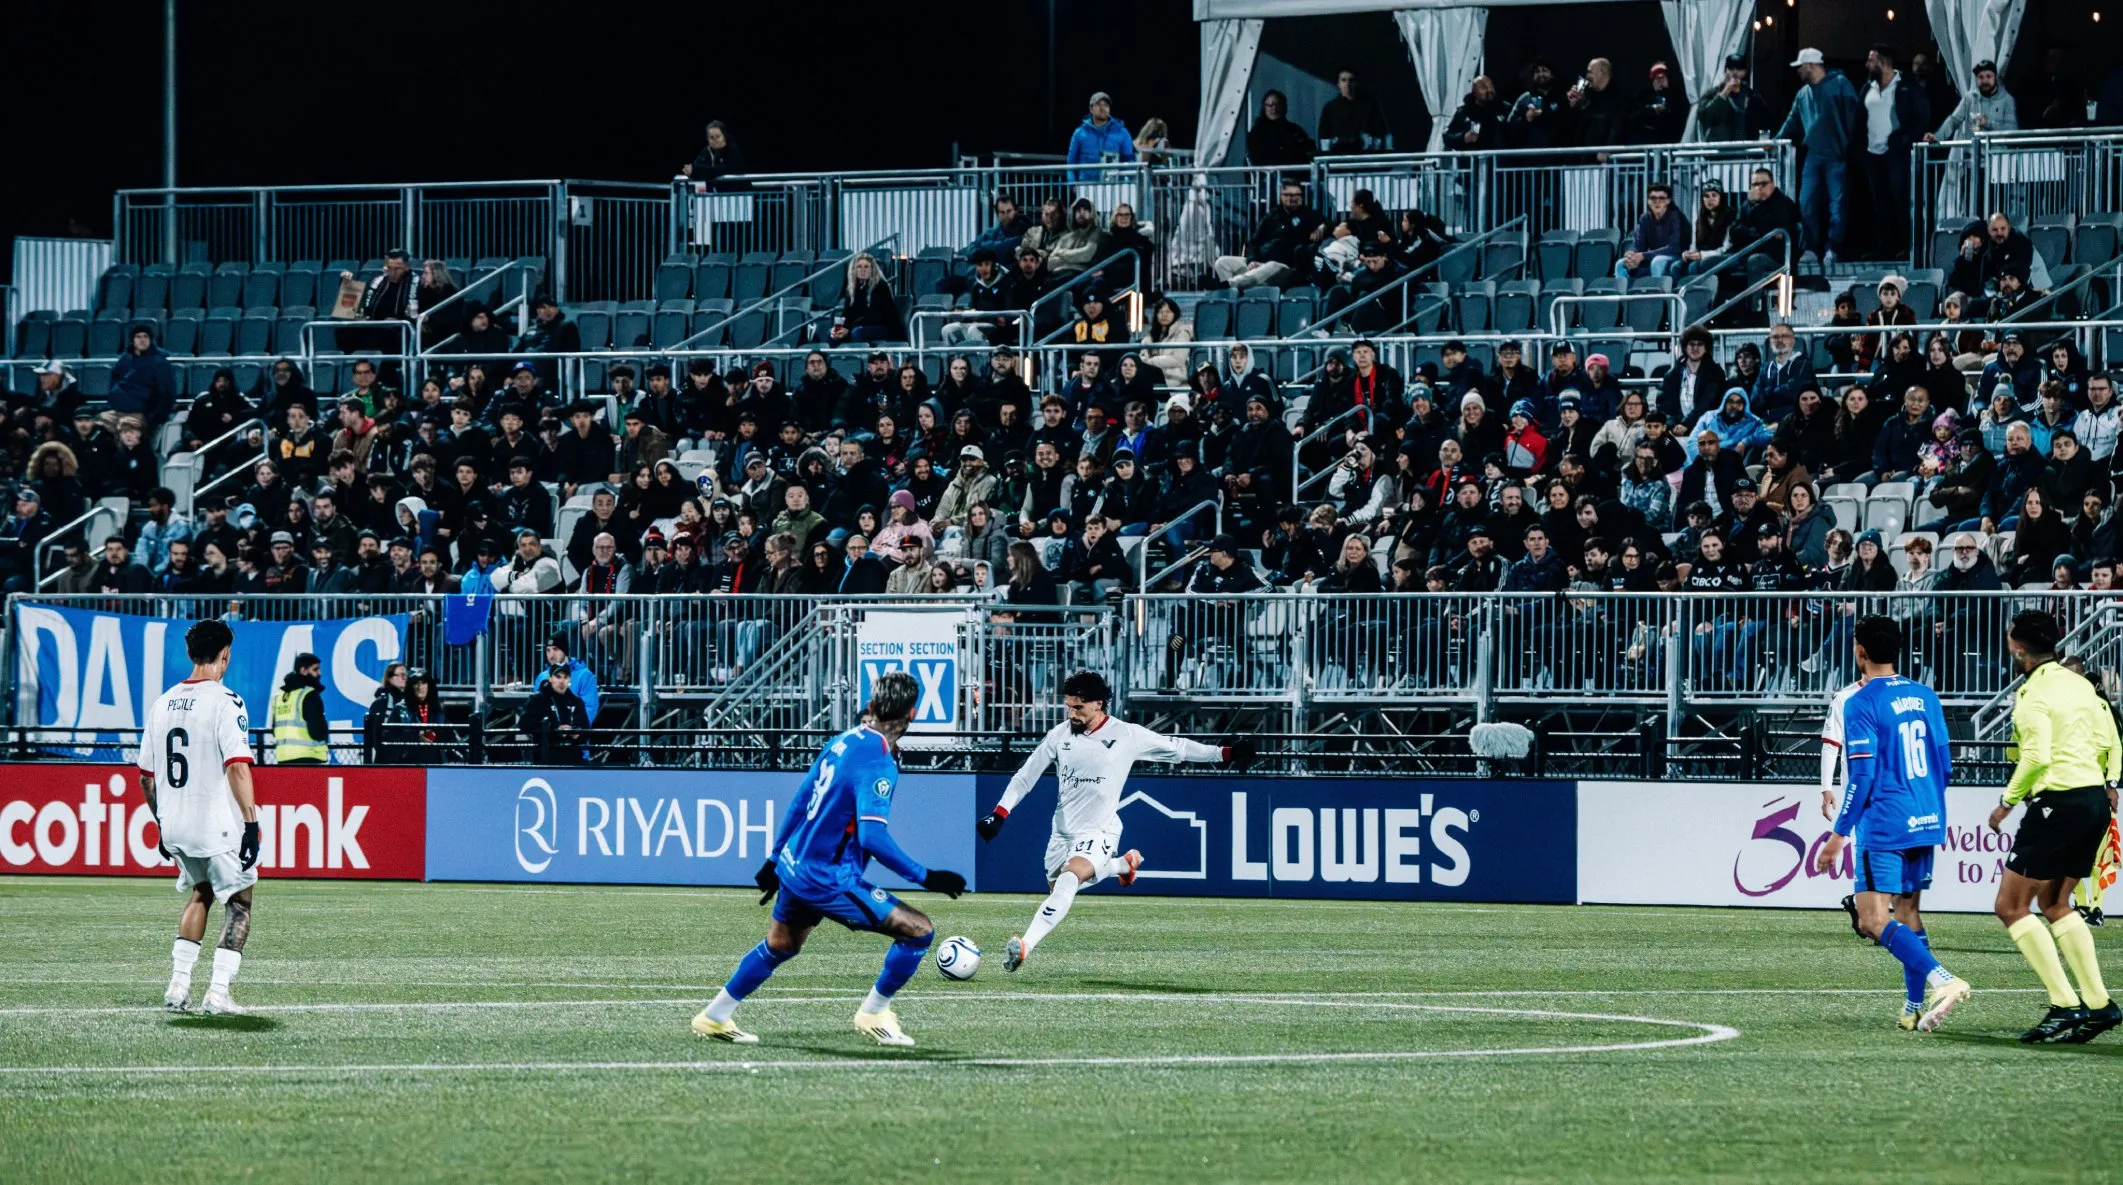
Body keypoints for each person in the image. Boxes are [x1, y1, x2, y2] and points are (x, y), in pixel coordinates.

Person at [693, 671, 966, 1047]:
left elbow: (802, 799)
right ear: (913, 713)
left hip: (794, 865)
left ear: (871, 705)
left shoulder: (843, 740)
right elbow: (872, 837)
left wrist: (774, 859)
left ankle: (714, 1016)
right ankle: (874, 1013)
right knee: (919, 931)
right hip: (827, 878)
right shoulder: (879, 760)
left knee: (781, 945)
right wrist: (927, 877)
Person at [978, 671, 1252, 972]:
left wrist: (1224, 753)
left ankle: (1024, 946)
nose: (1072, 714)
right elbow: (1025, 776)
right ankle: (1123, 865)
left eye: (1078, 707)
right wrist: (1000, 813)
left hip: (1100, 829)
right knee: (1060, 888)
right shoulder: (1059, 736)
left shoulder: (1126, 735)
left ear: (1098, 703)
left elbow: (1178, 747)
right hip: (1062, 833)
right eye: (1068, 707)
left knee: (1070, 879)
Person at [1813, 615, 1971, 1031]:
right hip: (1926, 817)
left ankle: (1943, 980)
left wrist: (1838, 834)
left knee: (1871, 920)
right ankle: (1913, 1006)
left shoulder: (1860, 701)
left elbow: (1862, 775)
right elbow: (1945, 765)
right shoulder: (1925, 696)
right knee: (1907, 911)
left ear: (1860, 651)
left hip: (1885, 821)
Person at [1988, 609, 2122, 1043]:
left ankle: (2064, 1004)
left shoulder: (2033, 692)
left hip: (2058, 802)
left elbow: (2036, 756)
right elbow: (2107, 737)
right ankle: (2099, 1005)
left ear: (2017, 647)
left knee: (2010, 906)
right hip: (2093, 800)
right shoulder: (2080, 683)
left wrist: (2006, 803)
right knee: (2055, 902)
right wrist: (2108, 781)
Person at [139, 620, 260, 1015]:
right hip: (215, 824)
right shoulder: (227, 701)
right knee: (240, 902)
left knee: (201, 892)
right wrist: (251, 823)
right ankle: (218, 992)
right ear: (225, 654)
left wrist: (161, 823)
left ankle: (178, 986)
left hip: (175, 824)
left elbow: (146, 777)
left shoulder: (162, 702)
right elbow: (237, 766)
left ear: (191, 654)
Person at [1777, 49, 1861, 265]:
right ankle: (1811, 248)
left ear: (1810, 66)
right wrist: (1776, 140)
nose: (1798, 71)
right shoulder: (1803, 94)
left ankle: (1833, 247)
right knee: (1806, 202)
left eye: (1800, 67)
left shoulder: (1840, 84)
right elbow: (1792, 120)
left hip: (1837, 155)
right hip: (1814, 155)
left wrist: (1850, 147)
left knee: (1837, 205)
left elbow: (1855, 116)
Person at [1860, 44, 1930, 262]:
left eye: (1871, 60)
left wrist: (1905, 139)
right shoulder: (1868, 86)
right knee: (1879, 202)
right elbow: (1859, 117)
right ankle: (1884, 248)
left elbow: (1922, 115)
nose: (1867, 64)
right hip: (1873, 153)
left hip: (1897, 153)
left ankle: (1906, 246)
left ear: (1884, 61)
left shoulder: (1905, 85)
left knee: (1901, 200)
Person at [1213, 181, 1327, 290]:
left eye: (1297, 195)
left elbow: (1332, 226)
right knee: (1222, 262)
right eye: (1288, 195)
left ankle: (1228, 285)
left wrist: (1323, 226)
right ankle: (1233, 295)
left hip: (1283, 267)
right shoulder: (1271, 216)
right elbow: (1254, 242)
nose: (1293, 198)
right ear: (1281, 196)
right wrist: (1252, 261)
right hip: (1258, 263)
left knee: (1270, 266)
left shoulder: (1310, 216)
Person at [1930, 60, 2019, 141]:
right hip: (1972, 151)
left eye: (1988, 76)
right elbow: (1954, 120)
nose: (1984, 80)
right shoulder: (1969, 98)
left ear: (1995, 77)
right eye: (1980, 77)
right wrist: (1937, 137)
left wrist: (1988, 123)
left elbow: (2012, 129)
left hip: (1997, 151)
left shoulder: (2007, 99)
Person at [1614, 183, 1689, 279]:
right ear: (1648, 201)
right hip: (1652, 256)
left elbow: (1674, 248)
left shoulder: (1677, 217)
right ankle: (1625, 289)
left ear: (1668, 201)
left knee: (1657, 262)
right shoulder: (1645, 218)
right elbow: (1639, 245)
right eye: (1653, 198)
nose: (1657, 202)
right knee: (1620, 264)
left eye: (1661, 198)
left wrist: (1643, 256)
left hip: (1676, 257)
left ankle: (1658, 288)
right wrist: (1631, 254)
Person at [523, 663, 591, 765]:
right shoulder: (537, 700)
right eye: (558, 677)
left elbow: (585, 730)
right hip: (544, 760)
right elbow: (525, 724)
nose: (562, 681)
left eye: (565, 677)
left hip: (573, 760)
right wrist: (554, 730)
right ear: (550, 679)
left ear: (570, 680)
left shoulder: (576, 701)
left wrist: (575, 733)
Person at [1696, 53, 1774, 142]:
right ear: (1725, 71)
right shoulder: (1712, 94)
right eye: (1731, 69)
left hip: (1746, 149)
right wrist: (1724, 93)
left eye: (1739, 69)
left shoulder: (1753, 97)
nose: (1735, 72)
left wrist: (1762, 147)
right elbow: (1704, 117)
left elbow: (1765, 124)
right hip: (1718, 148)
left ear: (1745, 72)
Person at [828, 252, 902, 344]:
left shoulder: (881, 286)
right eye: (859, 267)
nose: (863, 270)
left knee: (857, 333)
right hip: (860, 326)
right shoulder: (852, 288)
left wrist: (849, 329)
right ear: (854, 270)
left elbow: (875, 316)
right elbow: (847, 313)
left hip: (884, 327)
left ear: (872, 269)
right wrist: (841, 328)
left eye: (866, 267)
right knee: (833, 335)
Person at [270, 652, 330, 765]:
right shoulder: (309, 695)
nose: (319, 673)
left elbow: (275, 729)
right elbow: (317, 732)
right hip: (309, 757)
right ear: (303, 670)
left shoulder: (279, 697)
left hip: (283, 758)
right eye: (315, 669)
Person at [1066, 91, 1137, 181]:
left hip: (1113, 186)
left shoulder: (1122, 132)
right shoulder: (1079, 133)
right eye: (1098, 104)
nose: (1103, 108)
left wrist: (1128, 183)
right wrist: (1072, 184)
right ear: (1091, 109)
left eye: (1106, 105)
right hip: (1085, 186)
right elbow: (1071, 162)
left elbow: (1130, 161)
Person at [1320, 67, 1388, 154]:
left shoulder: (1370, 106)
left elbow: (1379, 134)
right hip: (1338, 157)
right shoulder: (1330, 108)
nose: (1347, 84)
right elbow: (1324, 138)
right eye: (1343, 80)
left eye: (1351, 80)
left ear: (1357, 83)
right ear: (1338, 84)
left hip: (1365, 156)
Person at [1246, 89, 1314, 168]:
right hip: (1271, 173)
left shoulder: (1294, 130)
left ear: (1283, 106)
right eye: (1269, 105)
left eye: (1277, 104)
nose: (1274, 109)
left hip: (1298, 172)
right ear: (1264, 108)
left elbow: (1308, 149)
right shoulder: (1257, 133)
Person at [1443, 76, 1508, 152]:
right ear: (1474, 91)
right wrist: (1463, 137)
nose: (1489, 90)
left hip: (1500, 157)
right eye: (1483, 87)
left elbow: (1513, 131)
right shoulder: (1464, 112)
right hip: (1472, 157)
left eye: (1491, 85)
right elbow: (1448, 137)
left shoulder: (1504, 109)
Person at [679, 120, 746, 189]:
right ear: (707, 139)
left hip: (739, 192)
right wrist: (689, 169)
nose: (715, 140)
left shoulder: (732, 149)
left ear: (724, 136)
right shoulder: (706, 151)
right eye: (711, 137)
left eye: (718, 136)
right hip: (716, 193)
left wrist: (696, 170)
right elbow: (696, 166)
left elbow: (723, 170)